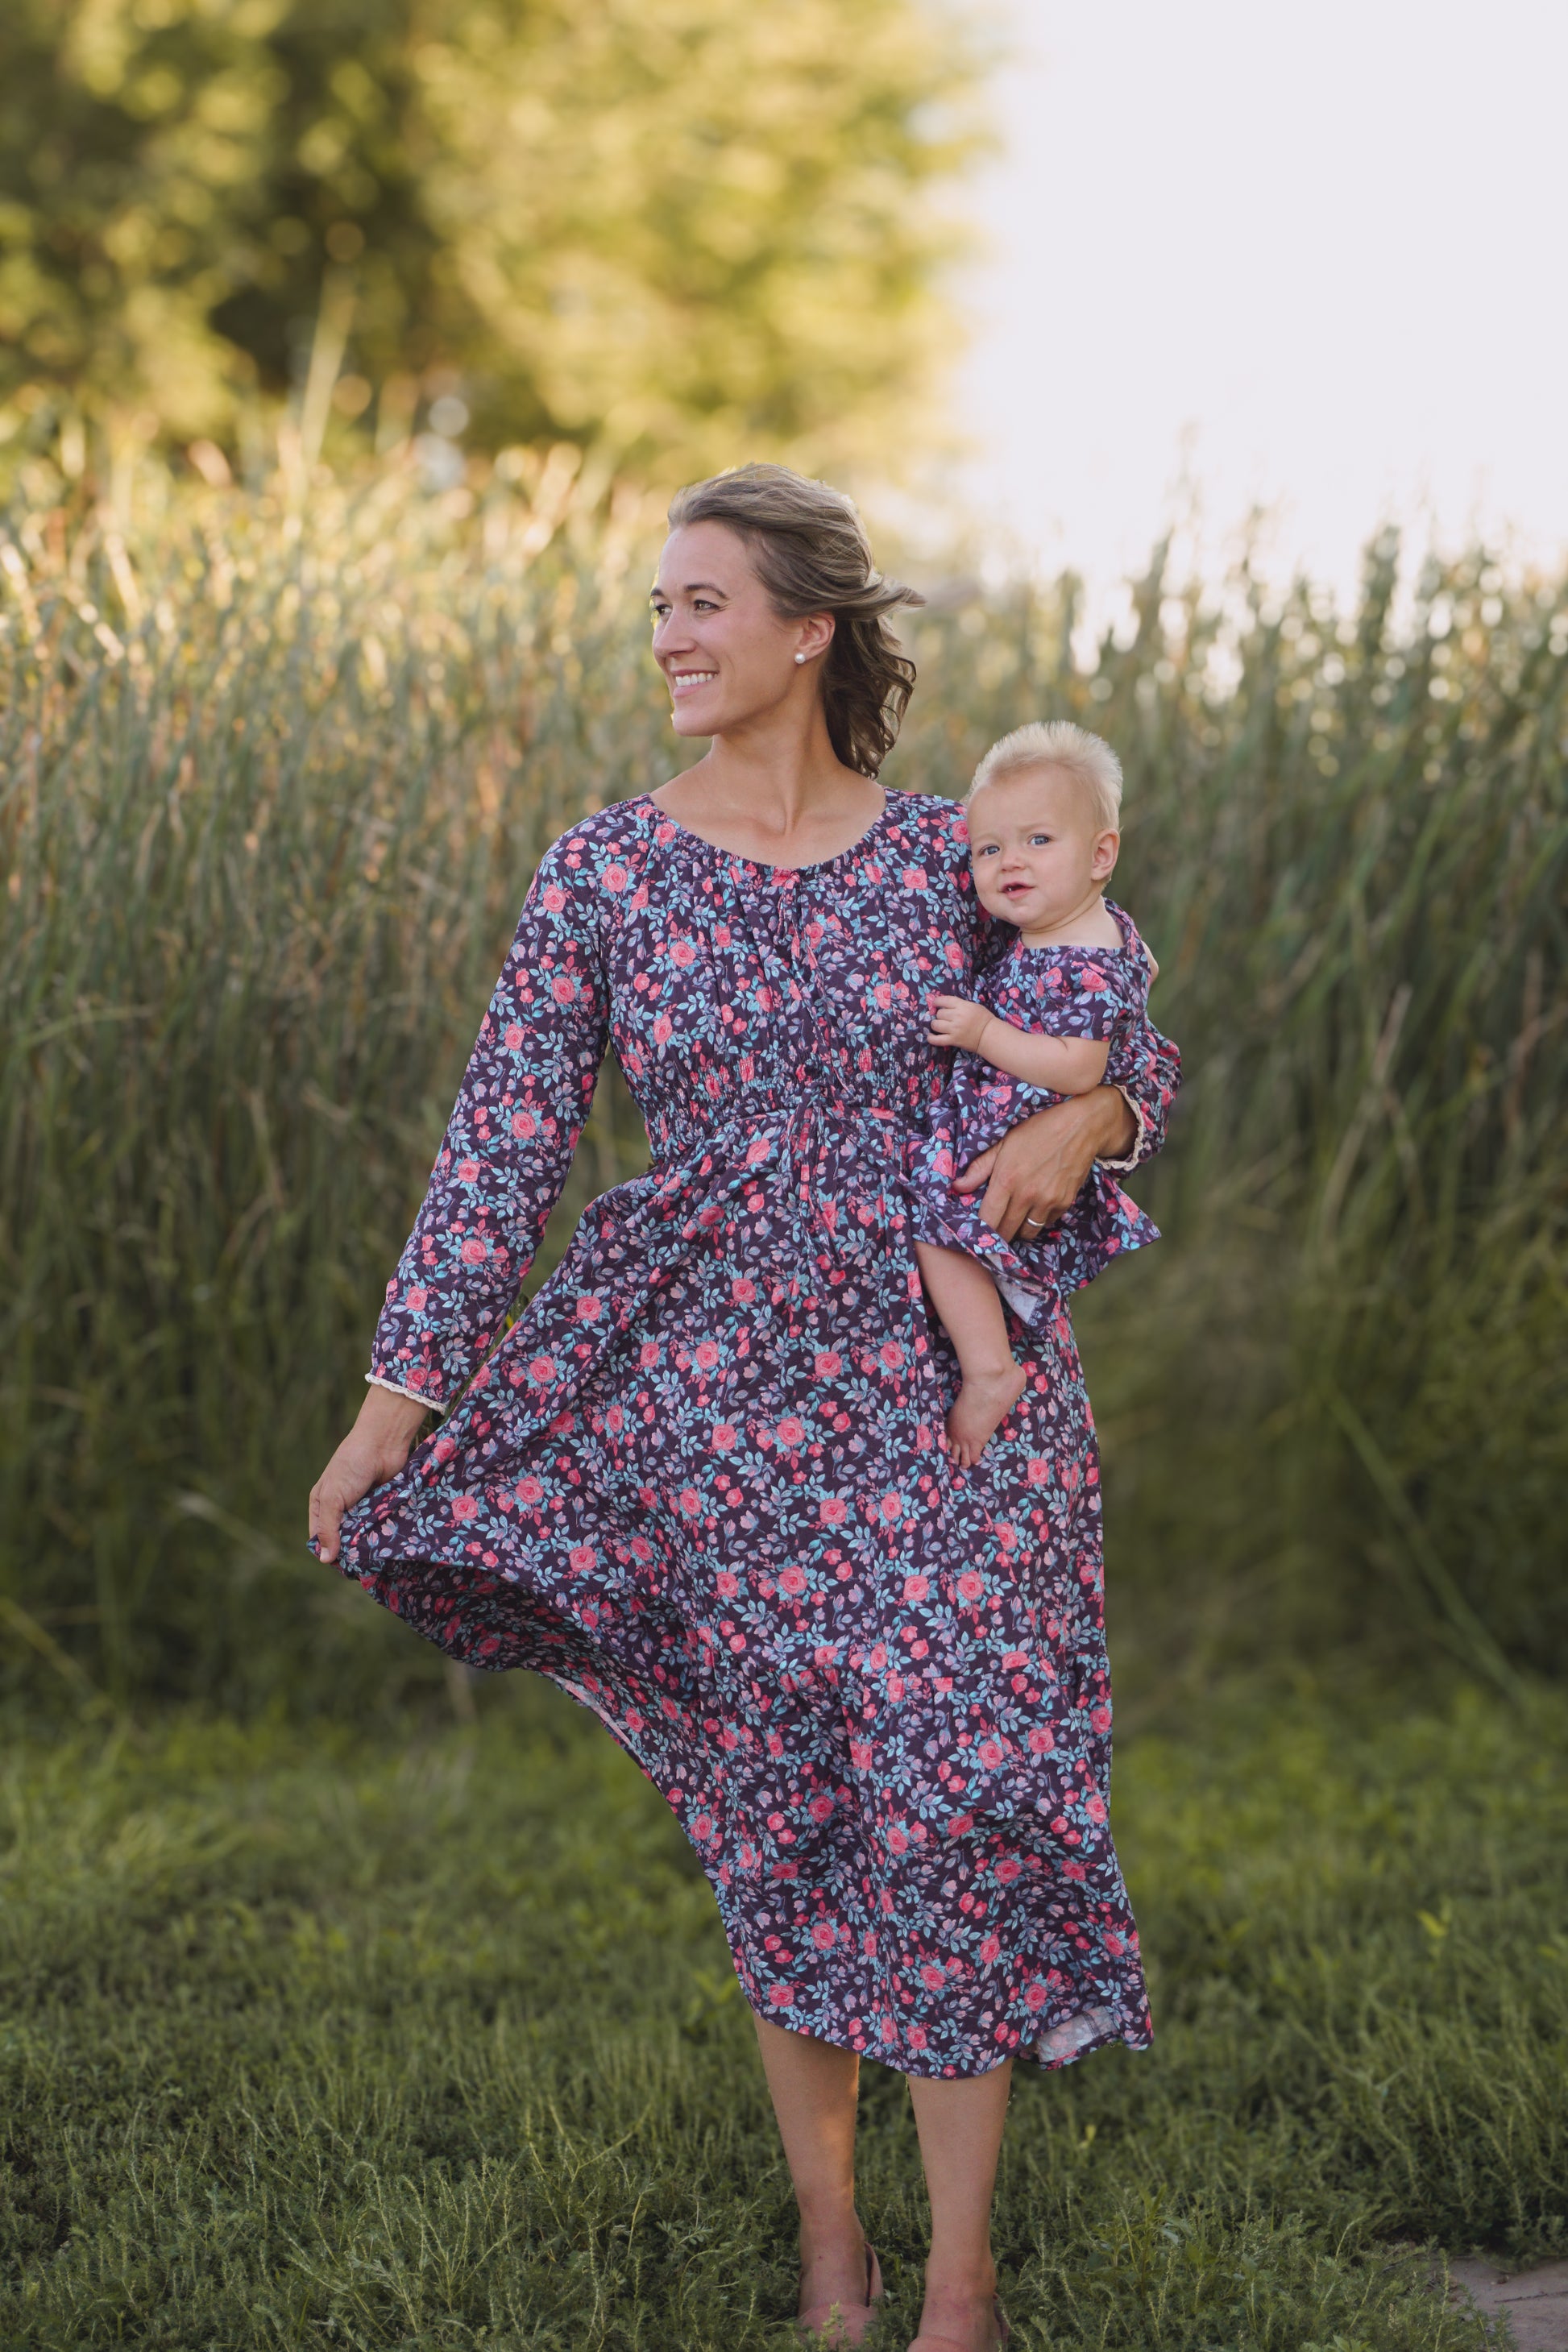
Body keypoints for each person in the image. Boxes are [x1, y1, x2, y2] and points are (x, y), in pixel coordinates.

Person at [309, 463, 1180, 2352]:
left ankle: (959, 2280)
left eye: (706, 603)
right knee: (791, 1808)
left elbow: (1123, 1023)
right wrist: (399, 1402)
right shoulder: (605, 869)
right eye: (660, 607)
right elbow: (502, 1148)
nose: (672, 639)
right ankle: (831, 2254)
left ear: (811, 629)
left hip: (960, 1394)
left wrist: (1092, 1111)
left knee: (950, 1785)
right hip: (722, 1411)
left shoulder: (960, 856)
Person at [910, 722, 1164, 1466]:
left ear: (1101, 854)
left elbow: (1082, 1071)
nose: (1008, 861)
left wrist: (983, 1033)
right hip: (1001, 1123)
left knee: (937, 1213)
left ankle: (990, 1367)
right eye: (989, 850)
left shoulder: (1088, 957)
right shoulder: (1056, 929)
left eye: (1037, 841)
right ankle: (999, 1331)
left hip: (1011, 1133)